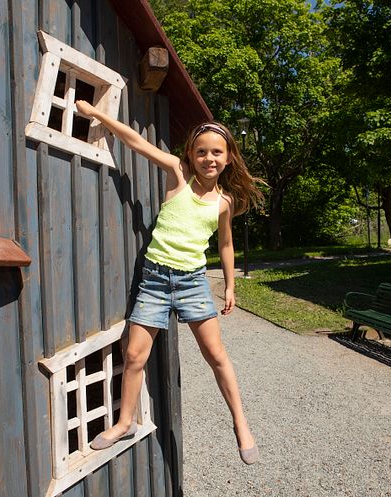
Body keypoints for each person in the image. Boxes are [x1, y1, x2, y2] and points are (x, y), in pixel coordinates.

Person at [76, 100, 264, 465]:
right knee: (133, 354)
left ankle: (241, 423)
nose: (209, 158)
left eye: (216, 153)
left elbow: (225, 244)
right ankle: (124, 422)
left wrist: (230, 285)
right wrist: (99, 115)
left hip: (192, 282)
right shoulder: (178, 175)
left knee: (216, 355)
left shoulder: (223, 202)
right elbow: (137, 143)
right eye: (201, 152)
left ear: (228, 159)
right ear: (191, 156)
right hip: (155, 280)